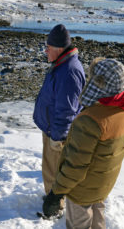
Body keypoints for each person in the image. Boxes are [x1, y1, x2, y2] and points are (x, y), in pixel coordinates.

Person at [43, 58, 124, 228]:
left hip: (82, 190)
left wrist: (56, 193)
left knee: (79, 224)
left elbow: (75, 166)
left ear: (100, 84)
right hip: (102, 183)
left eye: (93, 78)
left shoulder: (91, 121)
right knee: (98, 219)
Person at [33, 24, 86, 205]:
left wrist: (57, 138)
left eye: (48, 48)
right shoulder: (60, 64)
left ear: (59, 48)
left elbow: (67, 110)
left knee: (55, 171)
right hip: (50, 128)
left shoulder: (70, 71)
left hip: (56, 133)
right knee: (49, 169)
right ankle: (52, 197)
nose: (45, 51)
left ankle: (55, 205)